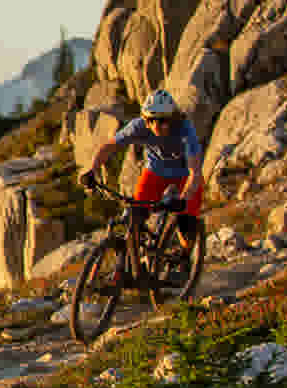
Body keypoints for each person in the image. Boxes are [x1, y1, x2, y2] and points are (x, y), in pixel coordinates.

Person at [88, 88, 205, 266]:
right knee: (134, 217)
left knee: (187, 225)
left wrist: (184, 199)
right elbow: (109, 147)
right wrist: (92, 171)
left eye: (163, 120)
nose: (157, 125)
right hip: (155, 172)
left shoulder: (185, 130)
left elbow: (195, 173)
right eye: (151, 120)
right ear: (145, 119)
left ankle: (184, 260)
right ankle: (135, 267)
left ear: (172, 118)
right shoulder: (138, 127)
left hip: (184, 175)